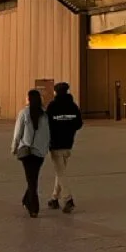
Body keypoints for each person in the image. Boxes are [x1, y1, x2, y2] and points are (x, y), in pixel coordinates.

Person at [46, 81, 83, 213]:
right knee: (60, 172)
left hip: (56, 144)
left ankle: (68, 199)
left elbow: (46, 125)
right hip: (68, 143)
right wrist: (69, 128)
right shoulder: (73, 106)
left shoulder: (52, 106)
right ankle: (54, 198)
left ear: (55, 92)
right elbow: (79, 123)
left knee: (60, 172)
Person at [12, 89, 50, 216]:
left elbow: (18, 133)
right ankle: (26, 200)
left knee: (31, 180)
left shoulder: (23, 113)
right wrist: (45, 148)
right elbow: (47, 134)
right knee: (33, 178)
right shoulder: (44, 115)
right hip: (39, 152)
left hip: (27, 151)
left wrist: (14, 147)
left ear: (29, 99)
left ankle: (34, 208)